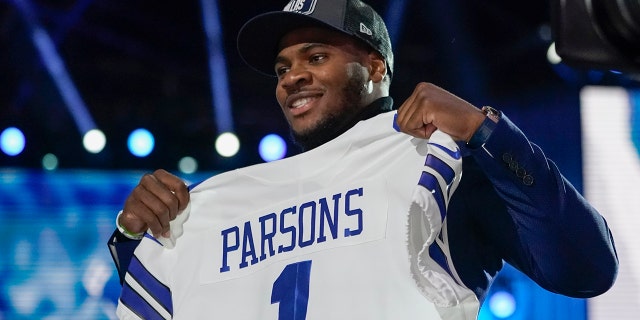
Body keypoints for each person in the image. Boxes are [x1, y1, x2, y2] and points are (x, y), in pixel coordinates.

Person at [108, 0, 618, 319]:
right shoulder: (219, 203)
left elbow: (586, 268)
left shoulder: (436, 164)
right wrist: (140, 242)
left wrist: (488, 134)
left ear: (376, 66)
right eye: (282, 68)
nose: (291, 77)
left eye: (316, 57)